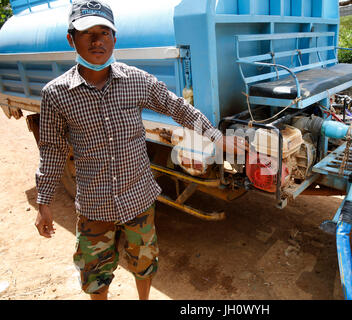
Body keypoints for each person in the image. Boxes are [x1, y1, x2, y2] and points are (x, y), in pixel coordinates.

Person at [34, 0, 241, 300]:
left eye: (104, 32)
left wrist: (218, 139)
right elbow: (52, 150)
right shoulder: (56, 94)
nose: (97, 40)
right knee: (95, 275)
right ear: (71, 39)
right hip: (94, 207)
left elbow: (178, 108)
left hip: (138, 200)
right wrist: (44, 203)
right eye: (87, 32)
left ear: (114, 38)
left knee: (145, 264)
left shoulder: (136, 80)